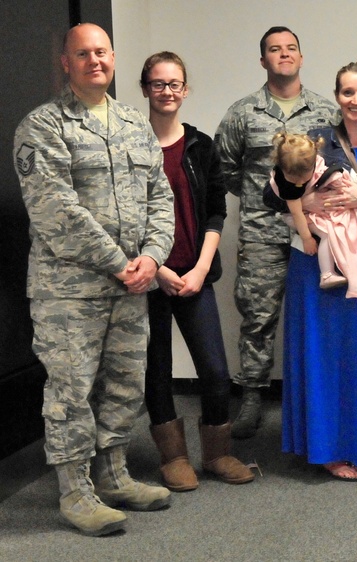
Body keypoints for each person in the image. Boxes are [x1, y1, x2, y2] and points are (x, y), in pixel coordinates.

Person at [13, 23, 173, 535]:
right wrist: (119, 262)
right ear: (66, 62)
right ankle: (76, 490)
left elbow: (160, 197)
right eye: (82, 53)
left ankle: (113, 473)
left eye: (101, 52)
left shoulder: (133, 122)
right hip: (70, 290)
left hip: (131, 285)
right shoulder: (42, 126)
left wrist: (151, 255)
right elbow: (55, 209)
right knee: (71, 391)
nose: (94, 61)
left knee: (125, 384)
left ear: (113, 57)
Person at [265, 61, 357, 481]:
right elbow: (271, 191)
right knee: (321, 356)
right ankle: (327, 449)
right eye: (348, 92)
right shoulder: (315, 142)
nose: (356, 100)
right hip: (315, 262)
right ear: (337, 96)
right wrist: (304, 206)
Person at [214, 26, 338, 439]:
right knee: (257, 316)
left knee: (320, 315)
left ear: (301, 57)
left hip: (317, 232)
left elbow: (338, 166)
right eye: (274, 49)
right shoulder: (242, 113)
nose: (283, 55)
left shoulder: (326, 112)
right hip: (262, 233)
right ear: (263, 60)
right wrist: (261, 200)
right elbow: (225, 169)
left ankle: (319, 397)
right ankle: (251, 397)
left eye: (290, 49)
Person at [140, 52, 255, 492]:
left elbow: (214, 211)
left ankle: (218, 452)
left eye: (175, 84)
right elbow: (125, 216)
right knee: (157, 368)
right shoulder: (132, 144)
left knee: (214, 369)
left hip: (195, 273)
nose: (167, 91)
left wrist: (201, 267)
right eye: (158, 83)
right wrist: (159, 269)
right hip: (149, 277)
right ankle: (173, 457)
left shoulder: (200, 145)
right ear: (146, 88)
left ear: (185, 90)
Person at [268, 132, 357, 293]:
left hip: (311, 213)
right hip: (297, 218)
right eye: (294, 178)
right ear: (282, 167)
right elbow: (297, 214)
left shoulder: (313, 162)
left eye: (303, 177)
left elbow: (326, 175)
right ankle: (327, 274)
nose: (299, 182)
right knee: (328, 233)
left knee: (340, 223)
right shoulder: (286, 184)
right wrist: (307, 238)